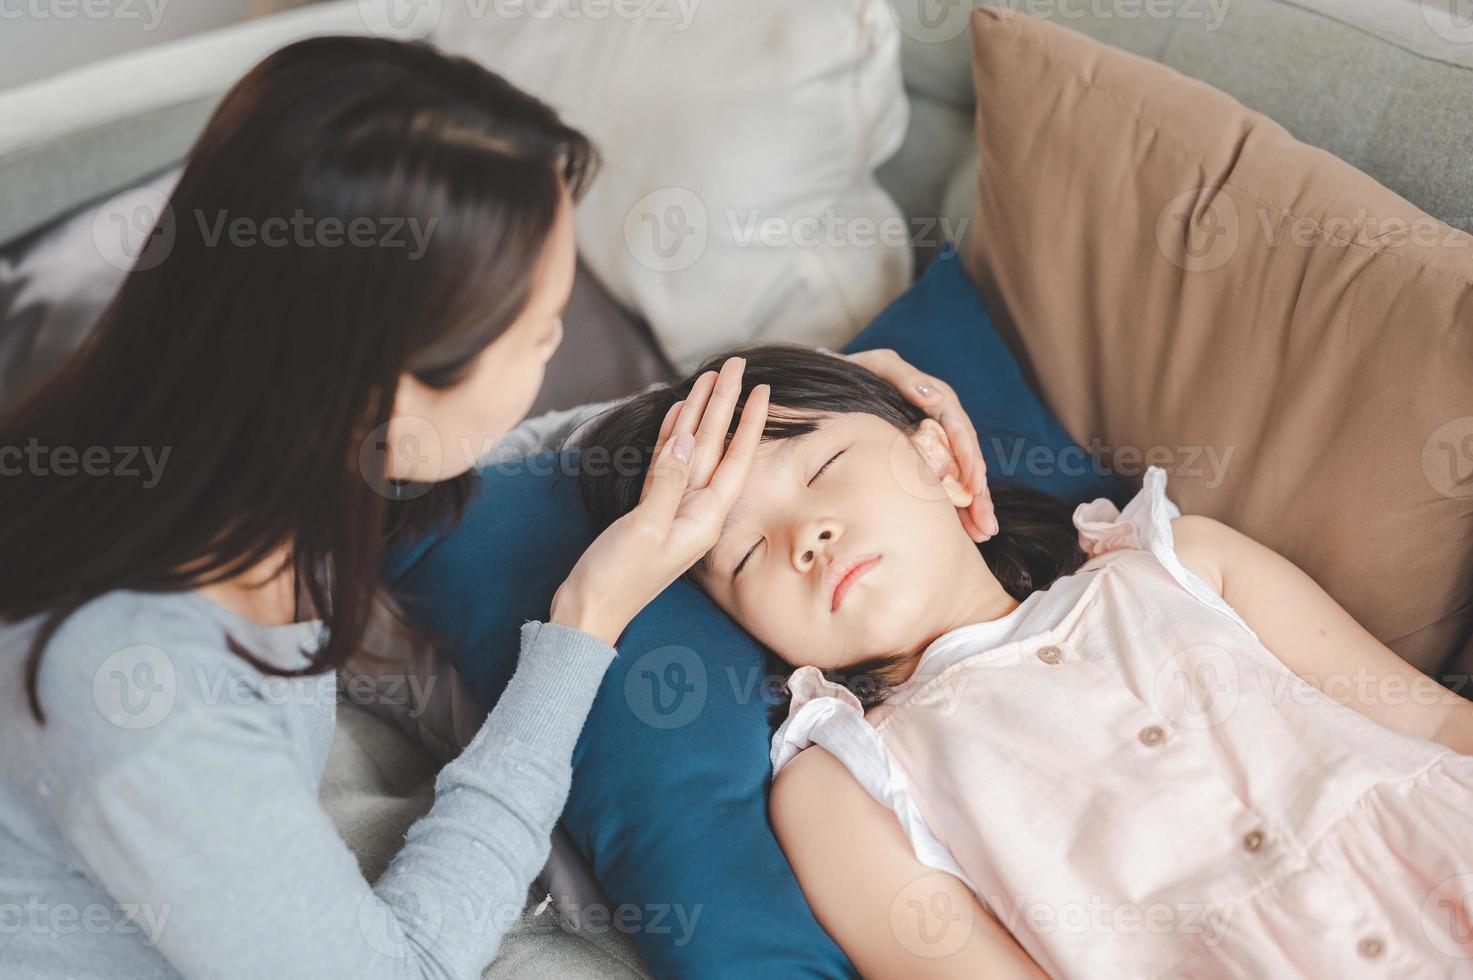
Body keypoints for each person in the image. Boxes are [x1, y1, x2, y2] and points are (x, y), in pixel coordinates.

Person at [0, 38, 992, 979]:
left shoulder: (250, 449)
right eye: (538, 335)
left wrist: (798, 402)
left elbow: (499, 456)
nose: (556, 354)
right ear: (384, 389)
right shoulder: (138, 687)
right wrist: (584, 622)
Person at [578, 343, 1473, 978]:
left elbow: (1430, 718)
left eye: (826, 467)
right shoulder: (842, 787)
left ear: (940, 458)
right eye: (741, 554)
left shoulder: (1180, 561)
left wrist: (813, 370)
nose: (803, 535)